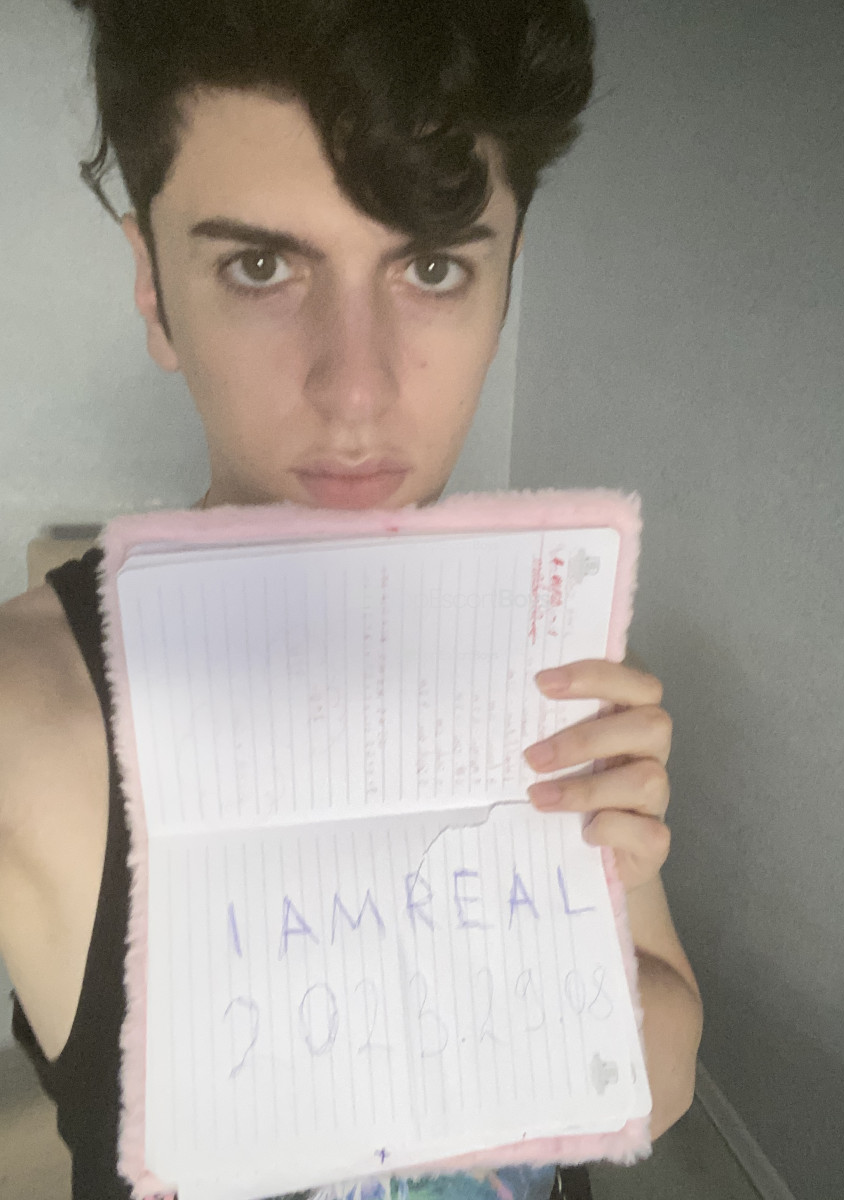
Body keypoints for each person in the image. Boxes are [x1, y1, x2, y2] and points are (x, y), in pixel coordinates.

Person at [0, 1, 702, 1197]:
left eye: (431, 267)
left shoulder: (537, 642)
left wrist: (615, 870)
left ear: (505, 283)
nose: (357, 392)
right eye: (261, 266)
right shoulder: (30, 712)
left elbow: (666, 1067)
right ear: (154, 289)